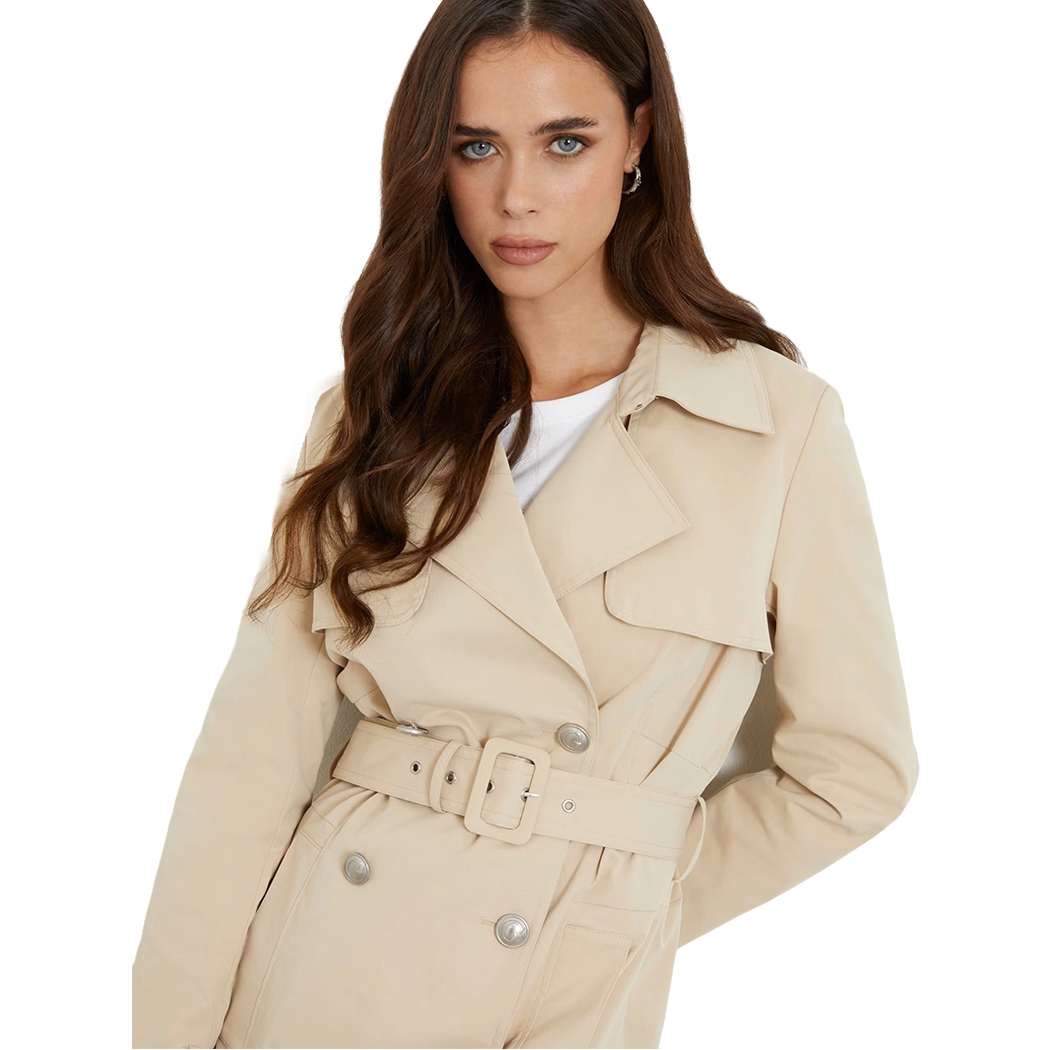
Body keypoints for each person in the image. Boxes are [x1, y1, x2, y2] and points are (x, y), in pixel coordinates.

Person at [131, 1, 920, 1047]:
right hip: (327, 972)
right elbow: (247, 767)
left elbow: (852, 773)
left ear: (638, 138)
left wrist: (617, 898)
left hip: (565, 995)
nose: (516, 196)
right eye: (475, 147)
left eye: (565, 143)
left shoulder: (772, 425)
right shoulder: (374, 412)